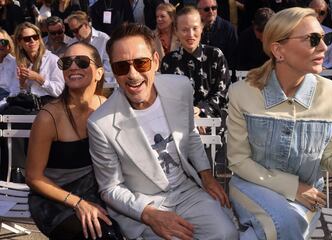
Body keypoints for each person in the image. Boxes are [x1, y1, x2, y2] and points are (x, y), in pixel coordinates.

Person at [88, 22, 238, 240]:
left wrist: (207, 176)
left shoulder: (180, 87)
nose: (132, 75)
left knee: (227, 234)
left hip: (186, 191)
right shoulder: (100, 124)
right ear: (112, 69)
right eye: (122, 67)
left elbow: (190, 133)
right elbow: (110, 188)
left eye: (141, 63)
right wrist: (149, 214)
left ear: (156, 61)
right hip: (143, 203)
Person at [227, 7, 332, 240]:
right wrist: (293, 188)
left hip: (307, 194)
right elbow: (238, 162)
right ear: (278, 50)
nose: (324, 47)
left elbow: (330, 157)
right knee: (286, 222)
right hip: (251, 186)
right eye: (313, 39)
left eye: (325, 38)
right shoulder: (242, 93)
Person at [26, 42, 121, 240]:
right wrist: (78, 203)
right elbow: (33, 177)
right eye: (67, 62)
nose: (73, 66)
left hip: (98, 191)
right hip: (55, 199)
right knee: (101, 235)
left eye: (82, 61)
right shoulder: (48, 117)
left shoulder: (106, 106)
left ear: (99, 72)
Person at [161, 6, 230, 128]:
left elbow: (223, 94)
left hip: (213, 128)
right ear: (176, 31)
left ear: (202, 27)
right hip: (179, 128)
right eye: (184, 30)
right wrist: (190, 116)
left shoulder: (215, 55)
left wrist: (201, 111)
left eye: (195, 28)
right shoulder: (169, 61)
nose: (191, 35)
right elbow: (167, 99)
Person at [14, 22, 64, 101]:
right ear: (20, 43)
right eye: (27, 39)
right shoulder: (18, 62)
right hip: (29, 104)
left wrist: (39, 78)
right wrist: (22, 83)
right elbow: (17, 93)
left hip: (49, 105)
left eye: (35, 37)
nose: (32, 41)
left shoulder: (54, 60)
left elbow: (60, 91)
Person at [66, 11, 115, 84]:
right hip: (80, 83)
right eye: (72, 31)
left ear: (85, 25)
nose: (74, 34)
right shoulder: (72, 43)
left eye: (76, 30)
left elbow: (109, 67)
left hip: (102, 84)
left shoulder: (104, 39)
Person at [197, 0, 237, 69]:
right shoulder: (193, 28)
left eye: (214, 8)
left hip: (222, 71)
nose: (211, 11)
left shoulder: (228, 28)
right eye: (207, 9)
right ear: (198, 11)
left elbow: (234, 56)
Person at [309, 0, 332, 69]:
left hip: (324, 73)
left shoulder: (331, 33)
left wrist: (324, 67)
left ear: (326, 14)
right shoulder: (297, 31)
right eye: (314, 11)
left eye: (322, 13)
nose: (318, 15)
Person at [0, 28, 19, 101]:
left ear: (9, 44)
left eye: (3, 42)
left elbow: (15, 91)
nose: (0, 45)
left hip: (7, 101)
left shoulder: (15, 63)